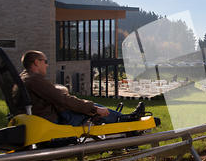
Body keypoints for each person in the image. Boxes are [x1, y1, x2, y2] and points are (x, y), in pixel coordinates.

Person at [17, 50, 145, 126]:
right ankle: (128, 120)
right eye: (45, 62)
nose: (47, 65)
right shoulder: (35, 79)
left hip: (43, 117)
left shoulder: (23, 78)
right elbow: (63, 100)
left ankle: (124, 118)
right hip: (55, 119)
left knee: (85, 106)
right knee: (92, 109)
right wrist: (94, 109)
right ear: (36, 62)